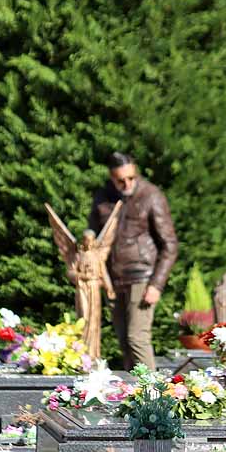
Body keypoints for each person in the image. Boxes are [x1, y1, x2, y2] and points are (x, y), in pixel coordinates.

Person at [88, 152, 179, 370]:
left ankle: (154, 397)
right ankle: (133, 398)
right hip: (112, 280)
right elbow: (92, 227)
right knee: (124, 343)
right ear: (111, 177)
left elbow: (170, 245)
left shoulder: (151, 195)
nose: (127, 183)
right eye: (121, 180)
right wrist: (88, 235)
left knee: (137, 338)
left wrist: (156, 284)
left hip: (141, 277)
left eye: (131, 177)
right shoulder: (103, 196)